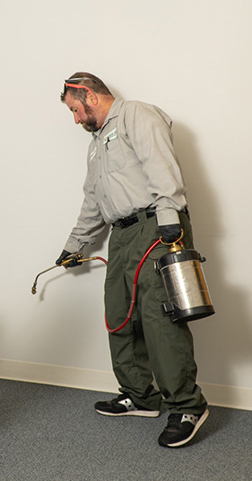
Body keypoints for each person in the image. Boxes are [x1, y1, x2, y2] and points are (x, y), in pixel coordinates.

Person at [57, 71, 209, 448]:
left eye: (75, 110)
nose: (75, 119)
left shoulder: (136, 116)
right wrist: (75, 244)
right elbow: (93, 200)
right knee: (119, 314)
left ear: (89, 96)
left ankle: (188, 406)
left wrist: (171, 216)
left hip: (156, 225)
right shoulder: (96, 145)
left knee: (160, 319)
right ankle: (140, 395)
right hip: (121, 235)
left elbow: (161, 164)